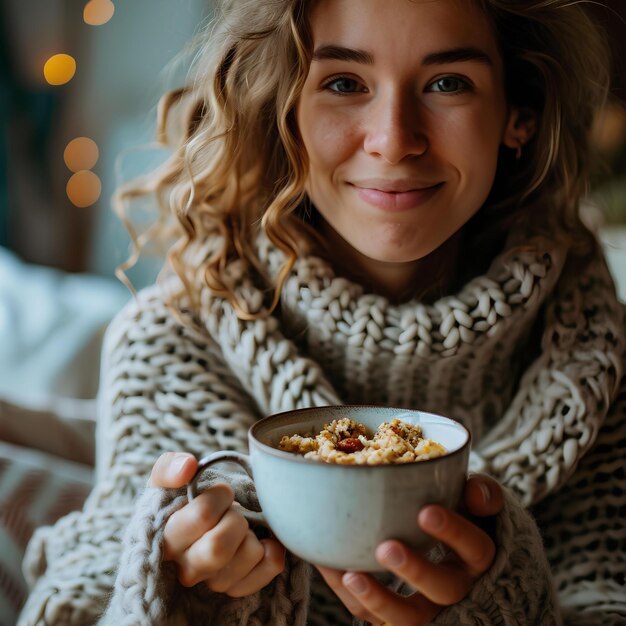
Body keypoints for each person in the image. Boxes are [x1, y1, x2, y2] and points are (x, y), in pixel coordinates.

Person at [18, 0, 626, 624]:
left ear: (518, 116)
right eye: (343, 83)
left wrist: (508, 610)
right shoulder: (172, 343)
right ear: (282, 108)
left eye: (448, 83)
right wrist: (175, 597)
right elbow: (75, 603)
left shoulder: (602, 361)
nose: (393, 140)